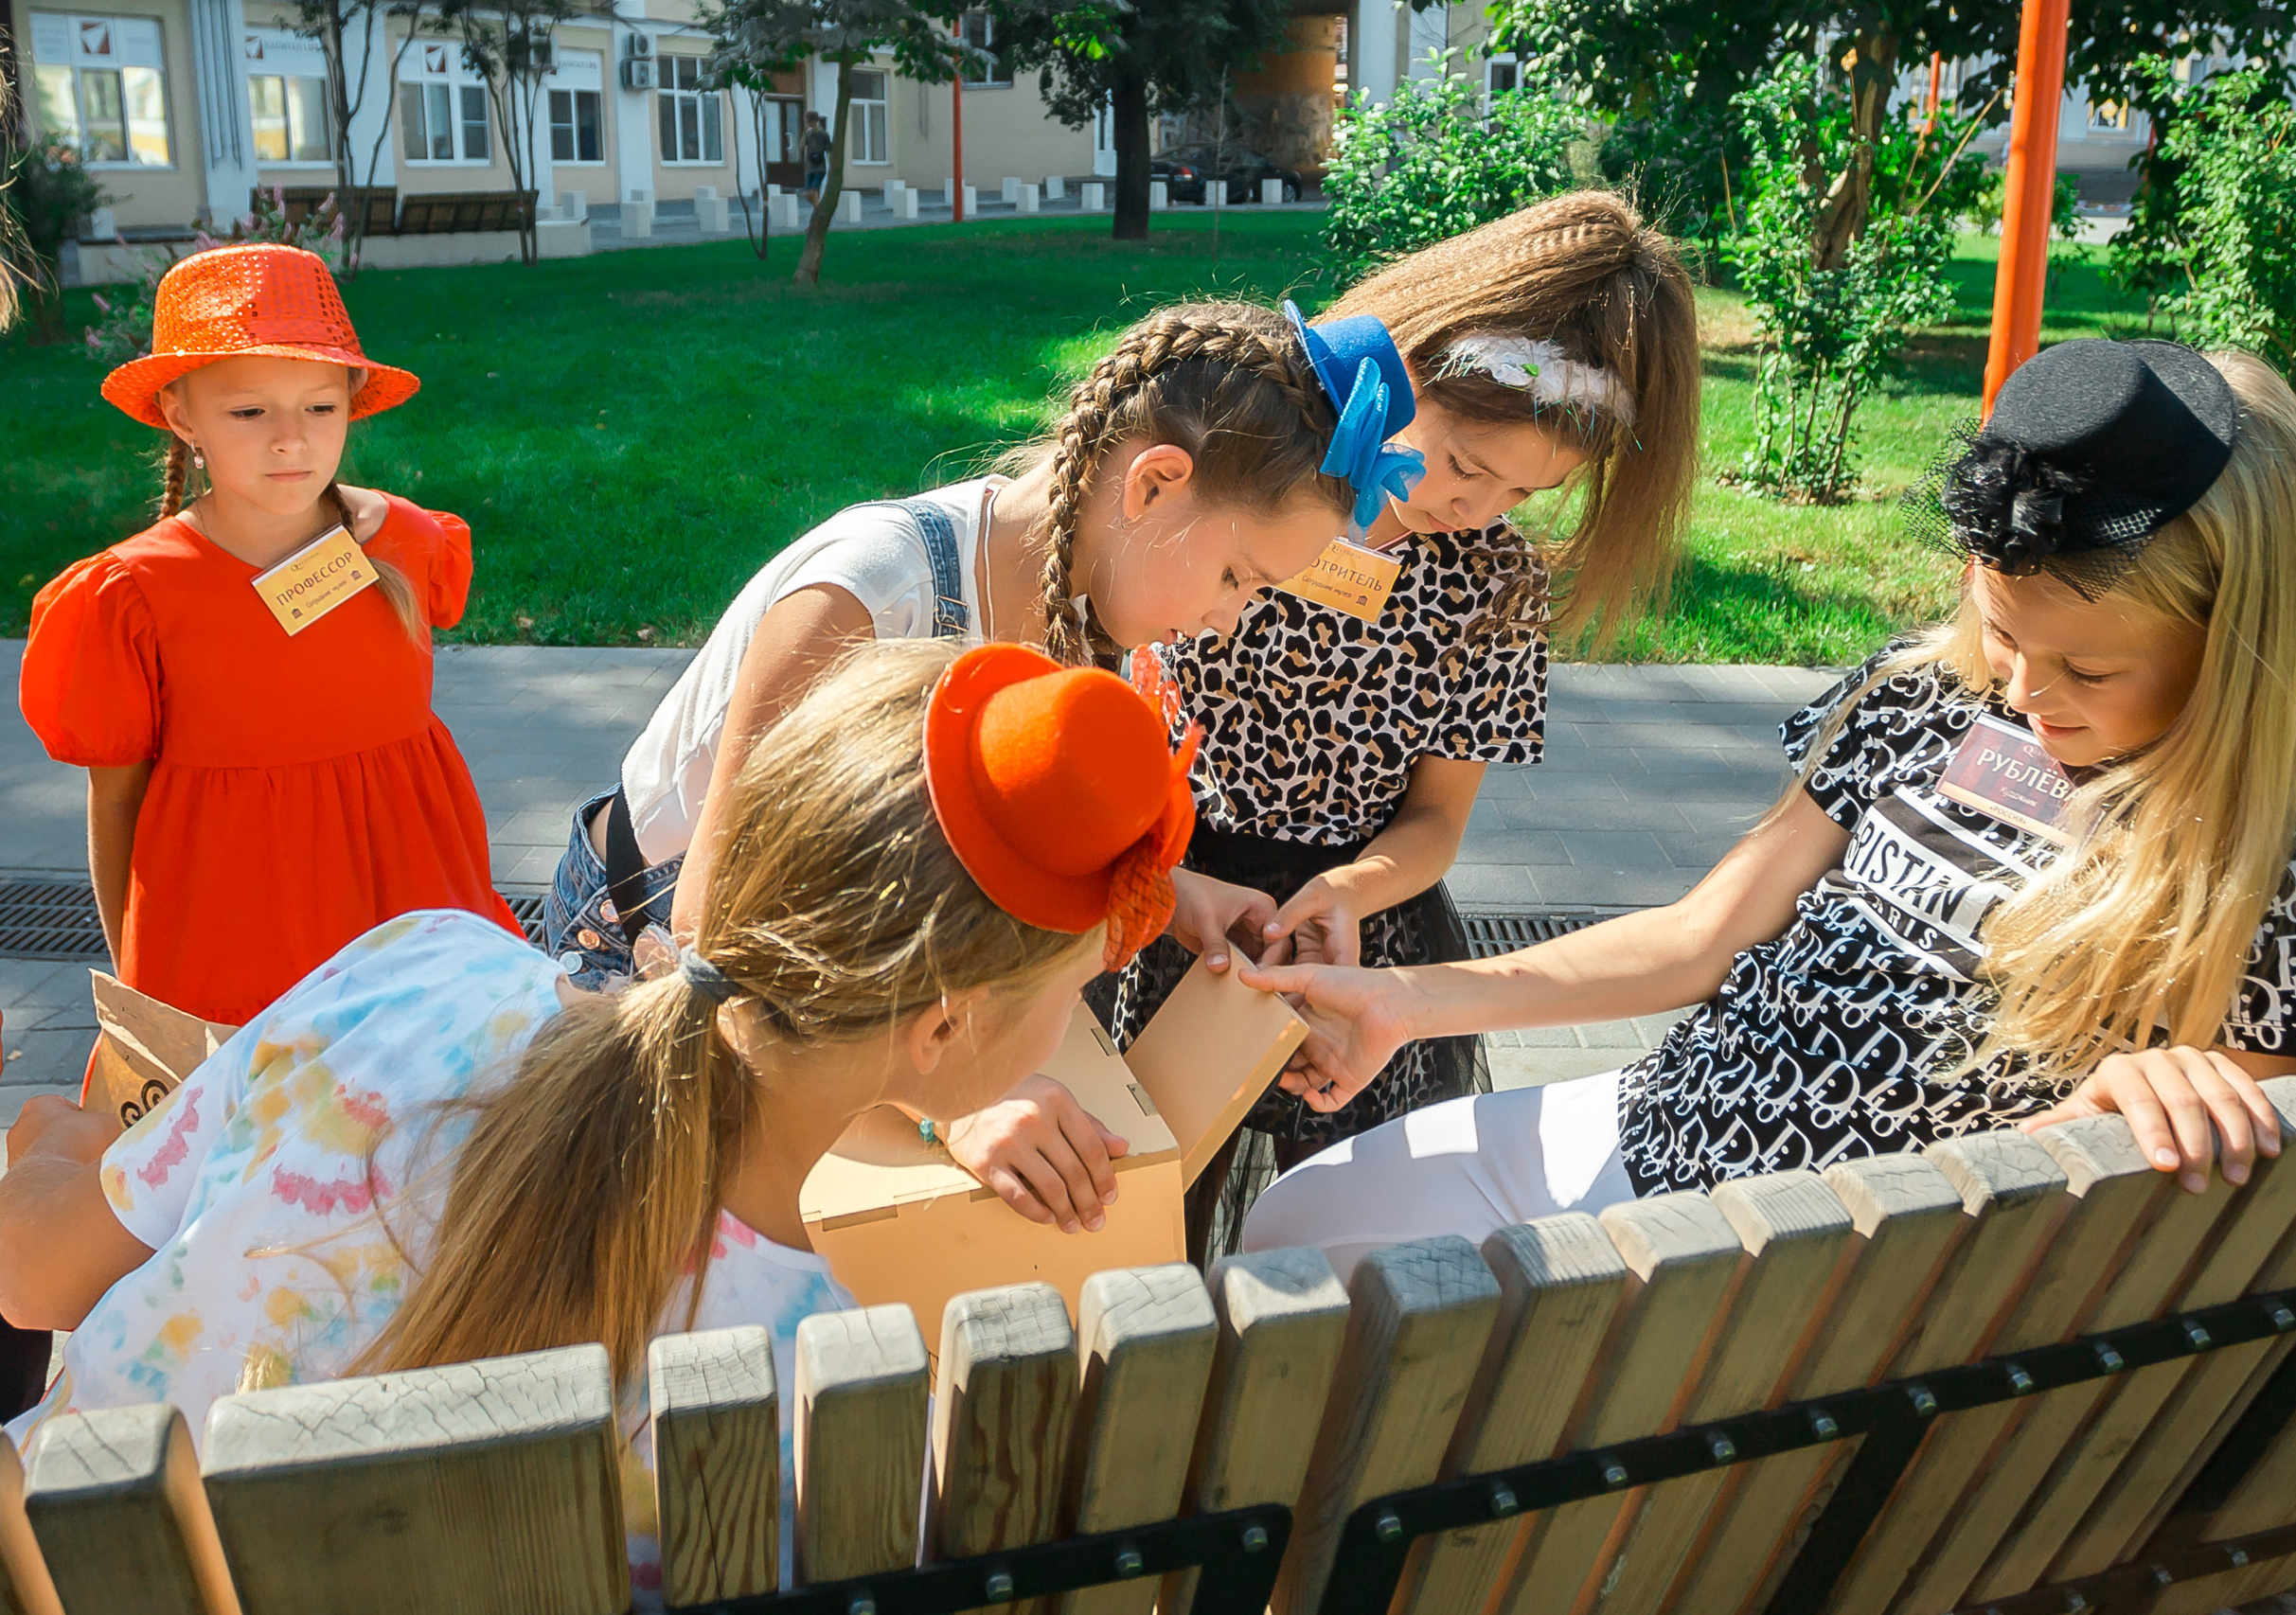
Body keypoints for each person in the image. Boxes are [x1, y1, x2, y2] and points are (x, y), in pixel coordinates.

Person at [0, 637, 1200, 1601]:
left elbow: (34, 1279)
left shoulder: (421, 971)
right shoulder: (806, 1384)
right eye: (1073, 988)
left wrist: (80, 1158)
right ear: (940, 1030)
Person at [1238, 341, 2296, 1279]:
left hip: (1826, 1265)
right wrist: (1399, 1002)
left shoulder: (2293, 855)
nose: (2026, 694)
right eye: (2001, 634)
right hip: (1659, 1117)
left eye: (2088, 673)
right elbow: (1703, 935)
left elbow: (2213, 1213)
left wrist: (2132, 1116)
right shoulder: (1921, 697)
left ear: (2237, 644)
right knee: (1295, 1229)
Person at [542, 299, 1414, 1235]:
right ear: (1155, 482)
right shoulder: (870, 592)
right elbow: (715, 923)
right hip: (662, 978)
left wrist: (1169, 892)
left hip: (848, 1002)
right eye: (1238, 576)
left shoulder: (1086, 610)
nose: (1226, 619)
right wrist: (949, 1101)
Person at [1095, 190, 1702, 1259]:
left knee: (1354, 1250)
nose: (1474, 508)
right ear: (1409, 364)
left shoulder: (1494, 582)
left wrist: (1346, 889)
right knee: (1143, 1229)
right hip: (1172, 902)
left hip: (1362, 937)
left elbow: (1434, 819)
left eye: (1524, 493)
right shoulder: (1265, 478)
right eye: (1466, 464)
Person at [18, 242, 520, 1037]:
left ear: (352, 402)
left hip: (414, 923)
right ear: (182, 417)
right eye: (249, 412)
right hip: (233, 947)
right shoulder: (131, 598)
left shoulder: (413, 542)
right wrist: (141, 990)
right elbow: (115, 798)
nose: (291, 440)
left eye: (319, 408)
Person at [802, 110, 830, 202]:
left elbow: (828, 151)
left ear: (814, 122)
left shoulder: (824, 135)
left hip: (819, 168)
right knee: (808, 195)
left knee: (813, 192)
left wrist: (831, 167)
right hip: (809, 167)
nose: (807, 124)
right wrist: (806, 133)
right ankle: (818, 211)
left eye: (808, 122)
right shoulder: (808, 134)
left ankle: (818, 213)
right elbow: (801, 146)